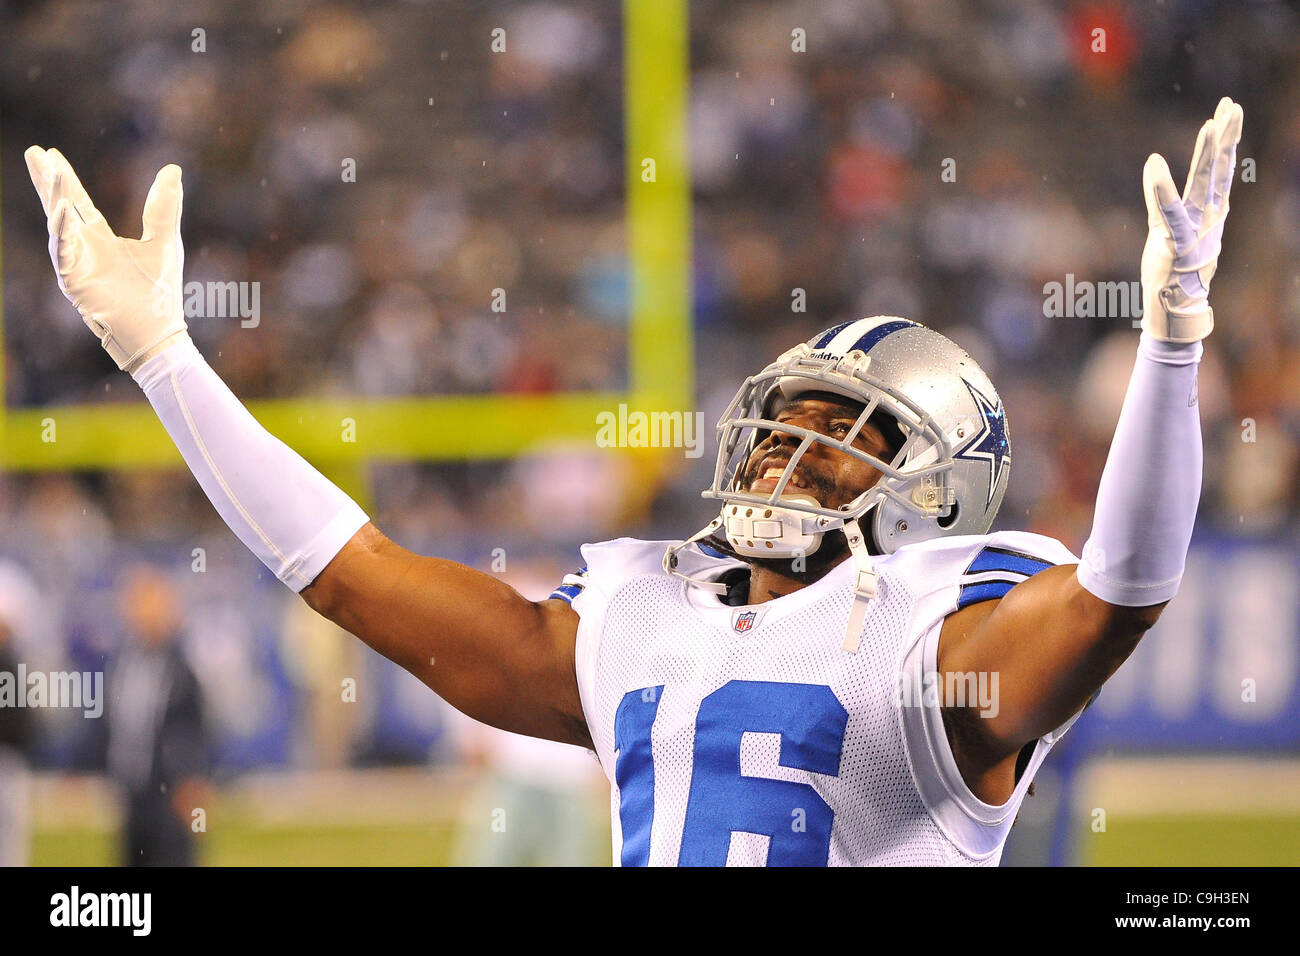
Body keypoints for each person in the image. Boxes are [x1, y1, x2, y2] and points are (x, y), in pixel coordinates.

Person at [23, 96, 1242, 865]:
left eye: (840, 434)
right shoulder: (634, 614)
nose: (780, 452)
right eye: (778, 425)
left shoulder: (941, 633)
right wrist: (164, 358)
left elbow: (1122, 590)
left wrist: (1170, 341)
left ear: (932, 493)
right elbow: (351, 574)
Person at [106, 564, 210, 866]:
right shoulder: (124, 664)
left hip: (168, 792)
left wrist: (191, 779)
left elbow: (192, 728)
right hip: (132, 789)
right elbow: (115, 725)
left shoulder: (179, 669)